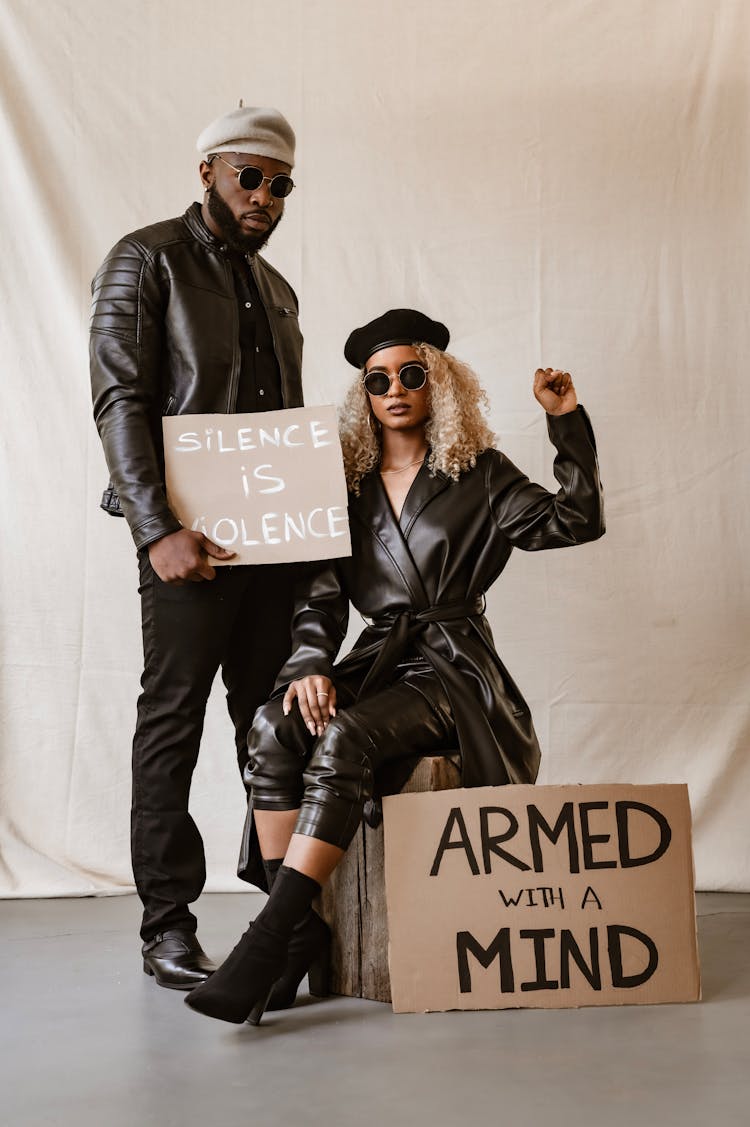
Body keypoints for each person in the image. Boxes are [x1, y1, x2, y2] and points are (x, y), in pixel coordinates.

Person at [184, 308, 605, 1024]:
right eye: (379, 380)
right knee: (272, 723)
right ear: (365, 396)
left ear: (438, 383)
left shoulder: (481, 475)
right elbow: (318, 595)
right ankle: (299, 922)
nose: (396, 389)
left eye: (412, 374)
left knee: (347, 737)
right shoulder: (343, 488)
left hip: (454, 667)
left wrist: (567, 422)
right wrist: (311, 663)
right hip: (379, 657)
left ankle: (271, 936)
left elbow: (575, 519)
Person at [89, 106, 304, 989]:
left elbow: (284, 428)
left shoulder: (281, 291)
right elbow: (120, 398)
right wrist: (156, 529)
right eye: (248, 176)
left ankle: (282, 914)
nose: (263, 195)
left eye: (280, 183)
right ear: (209, 169)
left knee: (273, 724)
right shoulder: (147, 259)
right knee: (172, 719)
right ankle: (166, 927)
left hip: (275, 549)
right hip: (187, 542)